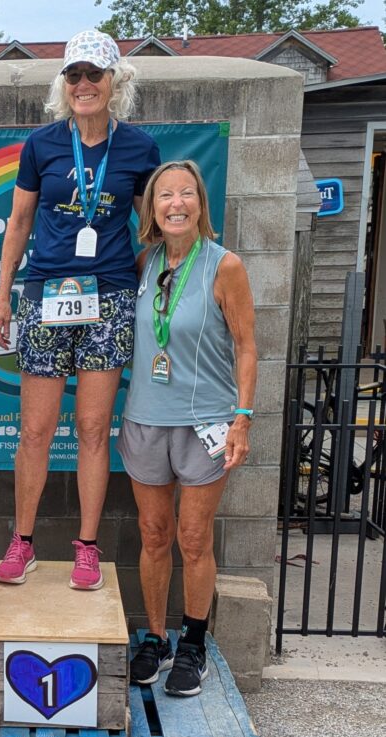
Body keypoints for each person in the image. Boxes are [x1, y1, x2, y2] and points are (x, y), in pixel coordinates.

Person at [0, 30, 160, 590]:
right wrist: (3, 296)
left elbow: (153, 227)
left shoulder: (139, 148)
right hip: (46, 296)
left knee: (92, 427)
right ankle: (22, 542)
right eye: (74, 75)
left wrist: (137, 275)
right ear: (63, 83)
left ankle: (87, 548)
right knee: (35, 430)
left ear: (115, 81)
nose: (84, 84)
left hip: (108, 299)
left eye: (94, 74)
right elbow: (19, 223)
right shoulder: (41, 145)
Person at [118, 160, 257, 697]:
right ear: (152, 209)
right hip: (145, 419)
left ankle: (193, 642)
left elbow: (247, 347)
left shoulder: (226, 266)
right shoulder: (145, 262)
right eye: (165, 196)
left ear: (201, 203)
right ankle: (156, 638)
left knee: (193, 538)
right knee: (154, 534)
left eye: (186, 194)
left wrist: (242, 418)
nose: (176, 204)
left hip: (205, 424)